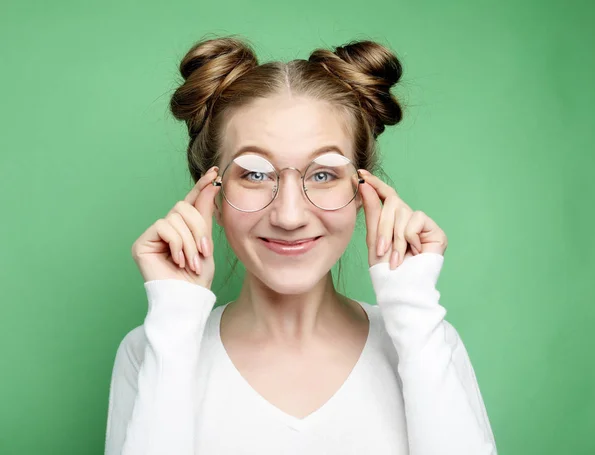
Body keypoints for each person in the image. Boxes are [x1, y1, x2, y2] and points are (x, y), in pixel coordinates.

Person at [103, 36, 497, 455]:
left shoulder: (426, 339)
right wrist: (175, 318)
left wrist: (413, 312)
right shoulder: (154, 347)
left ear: (362, 192)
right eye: (255, 174)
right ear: (212, 196)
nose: (289, 215)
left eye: (324, 174)